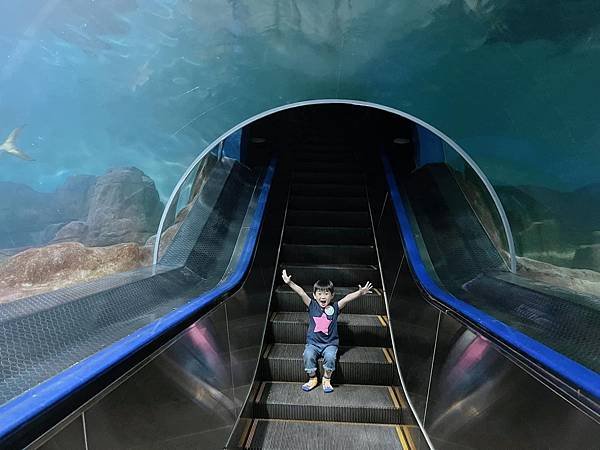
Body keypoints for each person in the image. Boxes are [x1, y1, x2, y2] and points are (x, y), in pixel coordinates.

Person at [281, 269, 373, 393]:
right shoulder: (312, 305)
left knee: (330, 357)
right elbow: (302, 293)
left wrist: (360, 293)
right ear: (314, 295)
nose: (322, 296)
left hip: (330, 344)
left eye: (326, 293)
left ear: (332, 295)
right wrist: (289, 283)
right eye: (319, 293)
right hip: (313, 343)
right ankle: (312, 378)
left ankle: (326, 378)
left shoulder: (335, 307)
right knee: (308, 355)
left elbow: (346, 299)